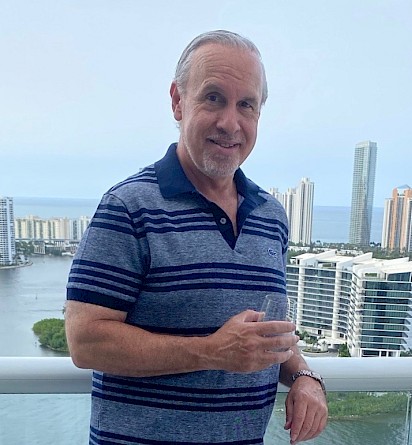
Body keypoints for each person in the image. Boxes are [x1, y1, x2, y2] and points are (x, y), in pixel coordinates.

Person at [65, 30, 328, 445]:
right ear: (177, 100)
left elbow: (267, 335)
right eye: (213, 98)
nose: (230, 122)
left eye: (247, 104)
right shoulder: (128, 206)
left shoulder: (271, 217)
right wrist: (211, 351)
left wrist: (304, 376)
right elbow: (86, 342)